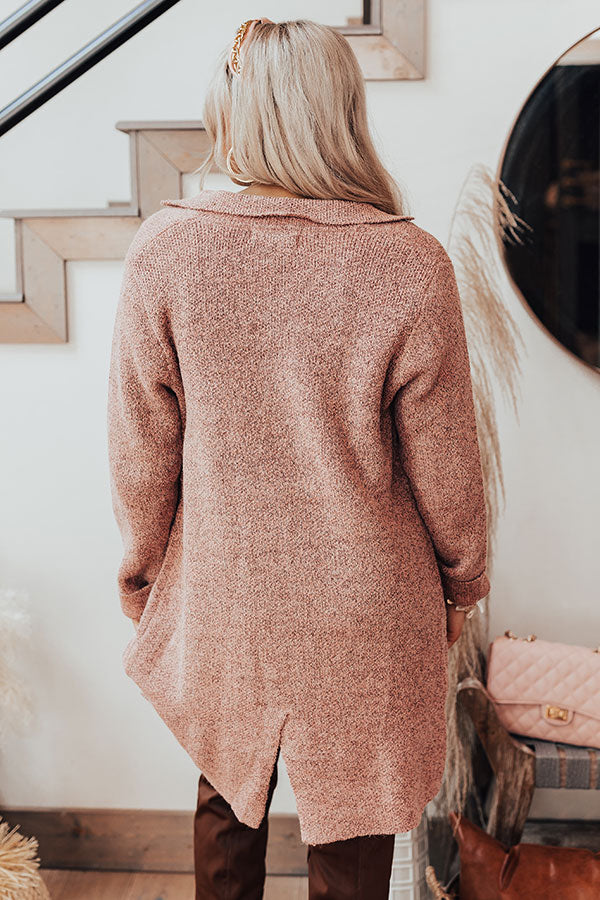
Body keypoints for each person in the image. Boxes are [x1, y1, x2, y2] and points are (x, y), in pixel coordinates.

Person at [106, 17, 491, 899]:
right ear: (340, 111)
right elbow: (449, 469)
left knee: (225, 797)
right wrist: (462, 583)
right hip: (367, 605)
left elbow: (141, 450)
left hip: (226, 591)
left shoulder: (166, 250)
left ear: (239, 113)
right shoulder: (410, 262)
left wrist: (142, 576)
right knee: (354, 831)